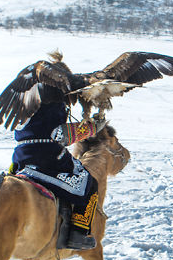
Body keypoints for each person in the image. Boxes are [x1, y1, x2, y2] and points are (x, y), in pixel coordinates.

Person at [11, 98, 106, 251]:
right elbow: (60, 134)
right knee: (87, 181)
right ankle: (78, 232)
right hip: (48, 159)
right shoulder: (51, 100)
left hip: (21, 159)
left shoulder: (21, 98)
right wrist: (92, 129)